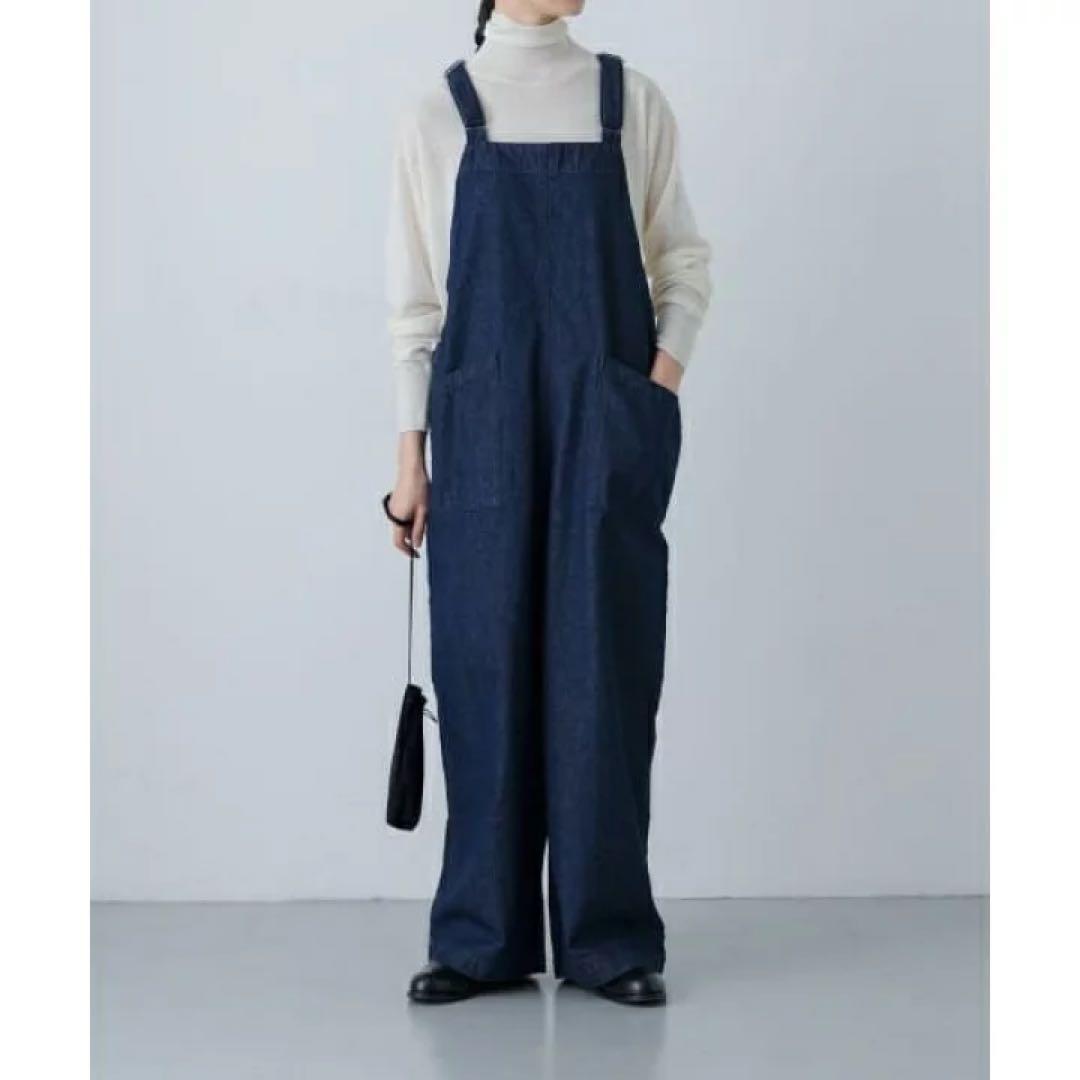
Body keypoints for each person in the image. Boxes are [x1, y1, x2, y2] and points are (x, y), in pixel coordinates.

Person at [385, 0, 711, 1006]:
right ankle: (480, 939)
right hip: (481, 425)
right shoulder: (440, 113)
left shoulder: (631, 102)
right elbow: (416, 308)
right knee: (482, 671)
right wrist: (410, 458)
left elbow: (683, 265)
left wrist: (651, 387)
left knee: (603, 670)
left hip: (604, 422)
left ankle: (609, 939)